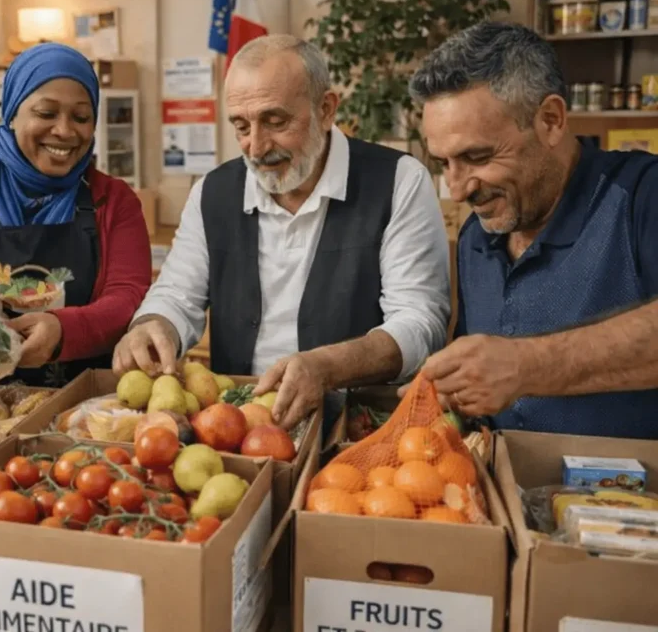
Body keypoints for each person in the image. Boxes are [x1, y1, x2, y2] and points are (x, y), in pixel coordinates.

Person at [113, 34, 451, 431]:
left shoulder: (398, 181)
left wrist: (328, 367)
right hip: (234, 425)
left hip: (360, 427)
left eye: (276, 122)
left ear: (326, 109)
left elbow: (419, 320)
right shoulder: (213, 192)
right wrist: (153, 324)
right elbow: (176, 293)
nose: (256, 148)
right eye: (241, 126)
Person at [409, 21, 658, 439]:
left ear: (551, 120)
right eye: (443, 163)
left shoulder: (641, 196)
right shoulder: (476, 236)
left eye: (477, 155)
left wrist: (526, 366)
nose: (457, 188)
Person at [0, 43, 153, 388]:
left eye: (81, 117)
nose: (65, 131)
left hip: (85, 407)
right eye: (46, 113)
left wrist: (62, 330)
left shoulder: (114, 200)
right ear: (12, 112)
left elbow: (127, 299)